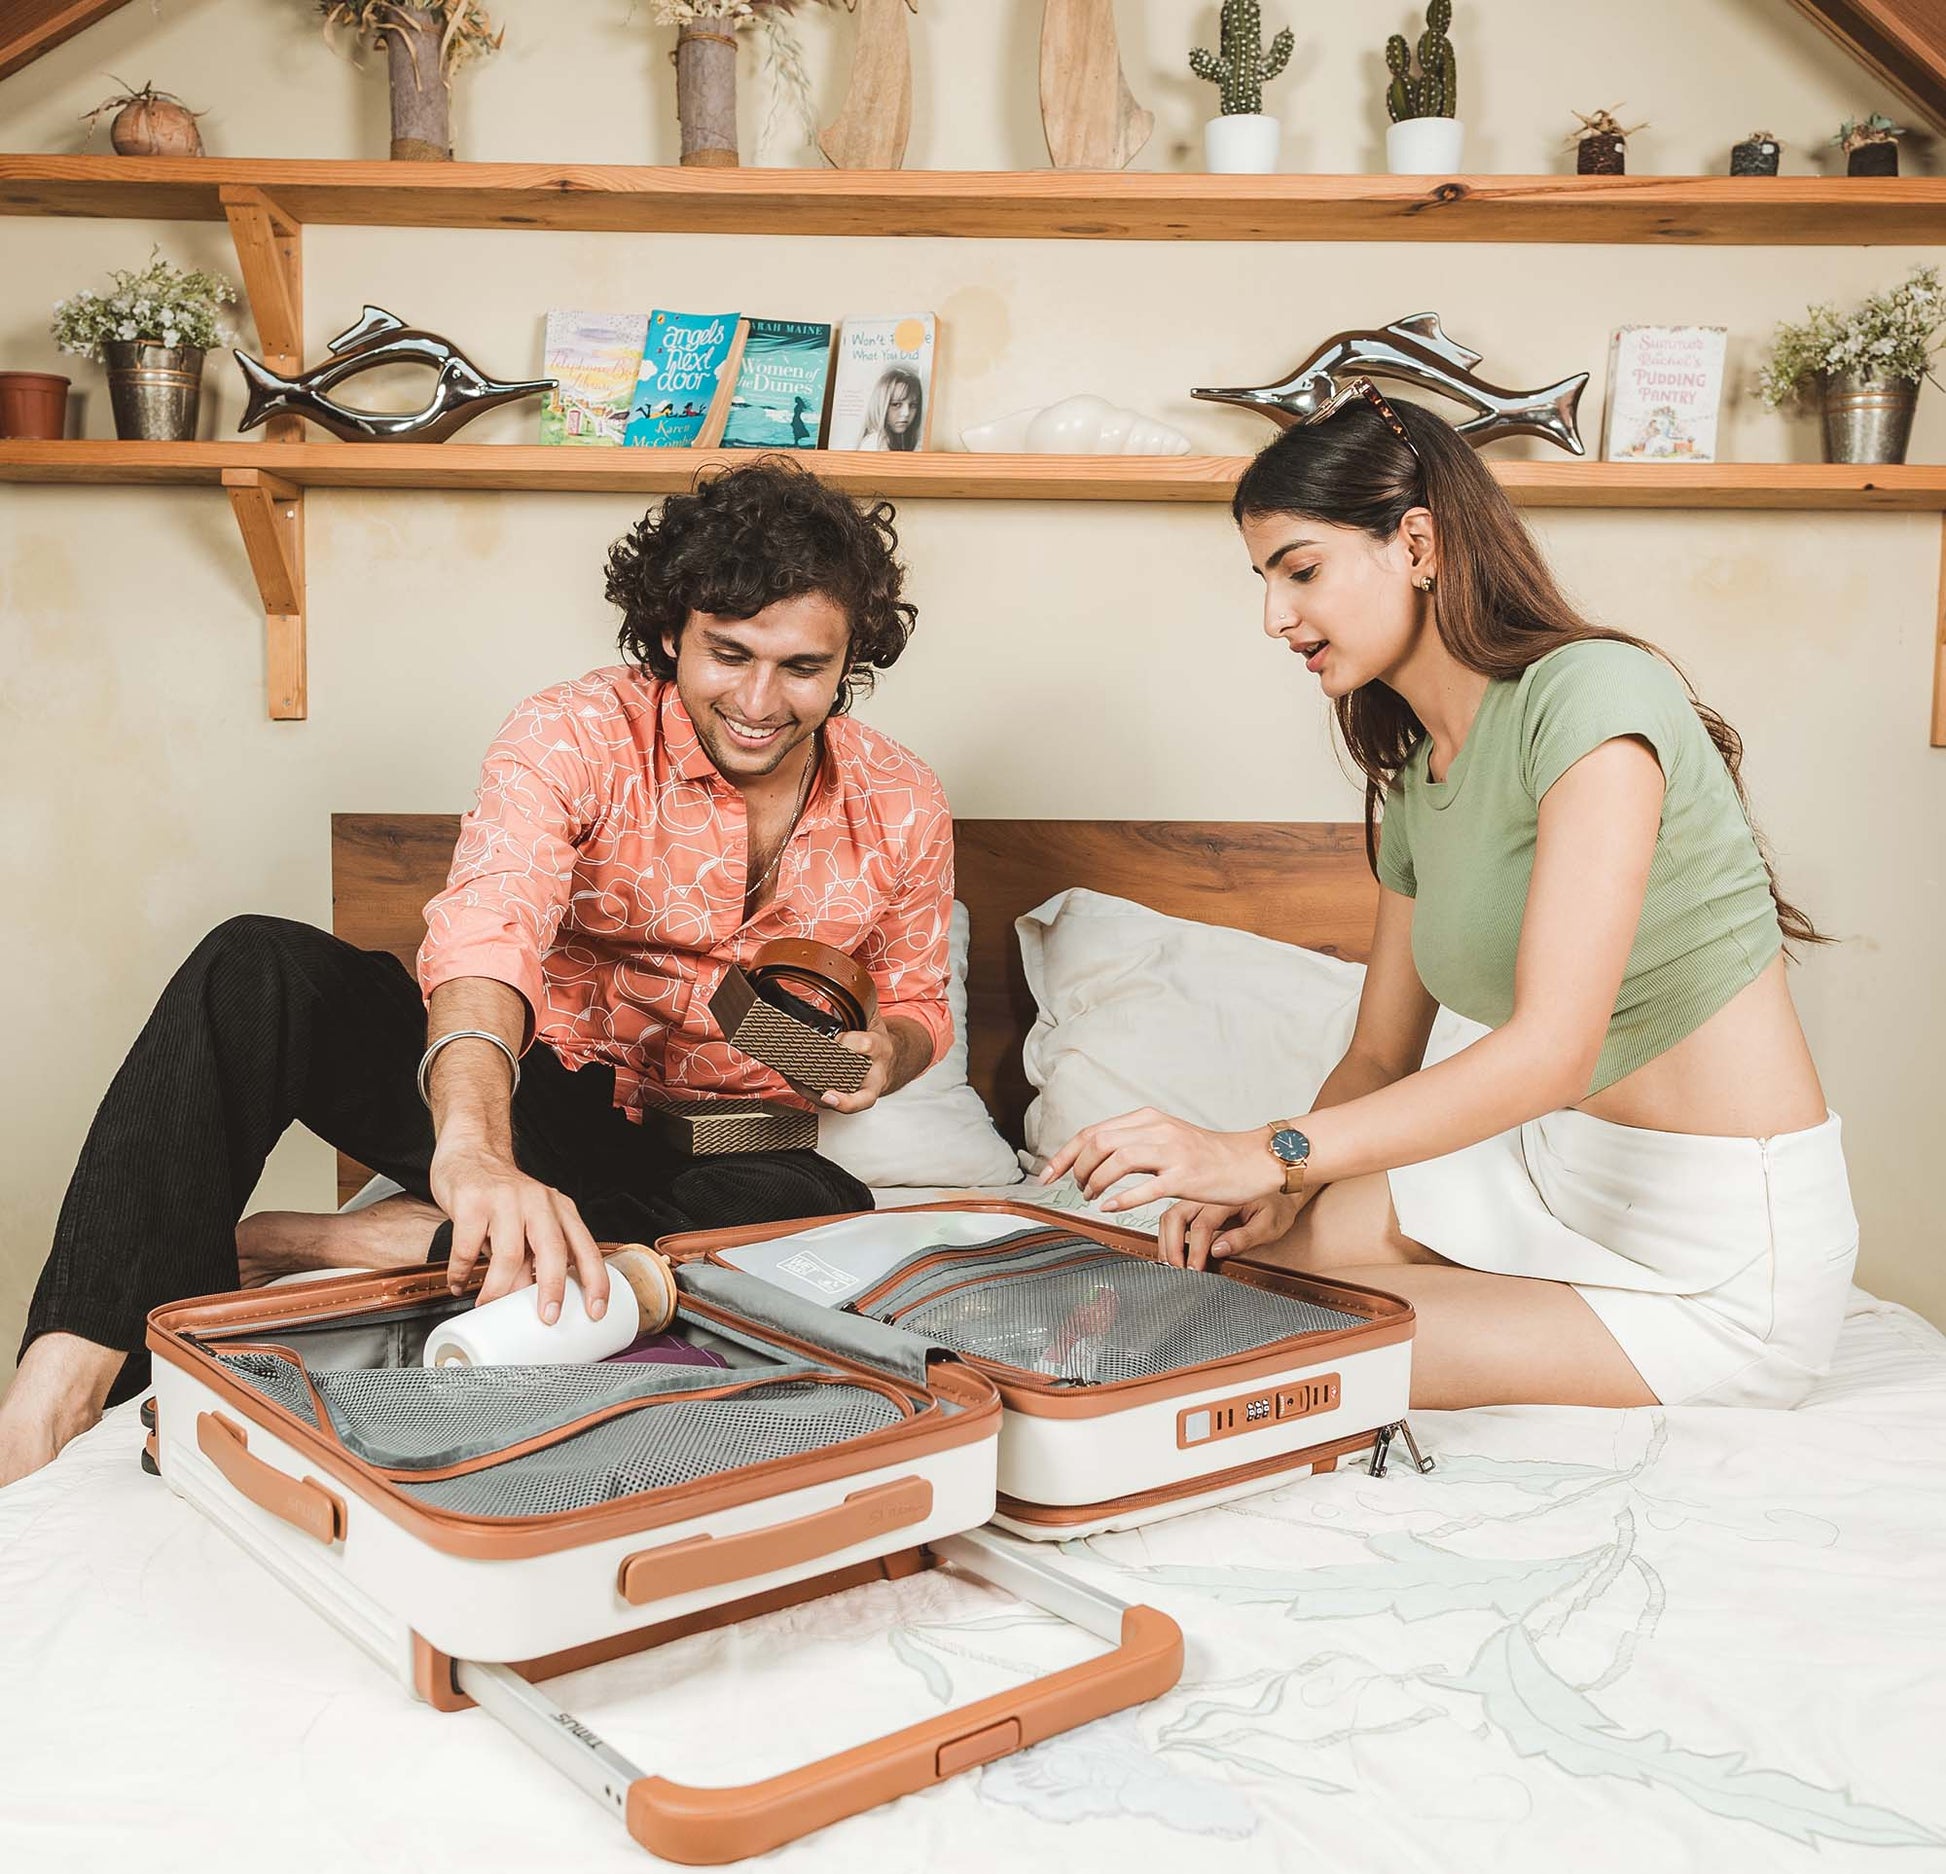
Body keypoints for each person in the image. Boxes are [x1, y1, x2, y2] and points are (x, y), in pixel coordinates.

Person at [0, 458, 954, 1485]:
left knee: (824, 1220)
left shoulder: (902, 799)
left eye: (802, 667)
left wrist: (883, 1054)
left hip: (719, 1147)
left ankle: (367, 1240)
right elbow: (487, 935)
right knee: (254, 962)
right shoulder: (571, 733)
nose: (761, 701)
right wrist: (471, 1146)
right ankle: (60, 1378)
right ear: (673, 627)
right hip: (540, 1091)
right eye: (729, 654)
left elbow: (914, 999)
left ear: (851, 653)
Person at [1042, 382, 1857, 1413]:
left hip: (1715, 1251)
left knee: (1230, 1347)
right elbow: (1379, 1055)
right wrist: (1277, 1187)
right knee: (1186, 1285)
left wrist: (1257, 1149)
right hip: (1544, 1175)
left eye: (1299, 570)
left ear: (1416, 543)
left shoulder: (1593, 695)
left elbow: (1548, 1048)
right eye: (1262, 578)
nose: (1272, 616)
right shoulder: (1417, 774)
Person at [856, 367, 923, 453]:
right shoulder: (874, 443)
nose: (906, 413)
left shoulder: (904, 440)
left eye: (913, 405)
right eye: (896, 404)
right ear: (881, 405)